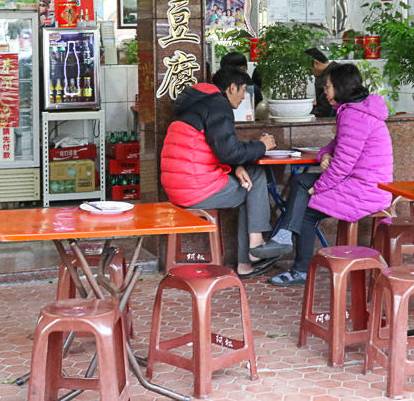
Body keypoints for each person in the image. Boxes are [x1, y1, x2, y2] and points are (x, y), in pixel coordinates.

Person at [251, 63, 393, 286]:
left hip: (364, 189)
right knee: (299, 182)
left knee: (306, 208)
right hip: (361, 184)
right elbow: (335, 145)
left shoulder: (354, 116)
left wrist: (318, 187)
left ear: (340, 87)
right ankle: (286, 239)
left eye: (327, 87)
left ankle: (296, 261)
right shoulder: (356, 110)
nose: (324, 92)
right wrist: (325, 156)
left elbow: (343, 165)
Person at [160, 67, 280, 277]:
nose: (244, 97)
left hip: (176, 187)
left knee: (247, 178)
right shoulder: (219, 104)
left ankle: (248, 258)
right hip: (195, 189)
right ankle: (254, 249)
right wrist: (262, 146)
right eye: (243, 91)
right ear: (231, 87)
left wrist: (236, 167)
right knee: (255, 179)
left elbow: (213, 148)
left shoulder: (196, 103)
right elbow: (229, 151)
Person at [306, 47, 335, 118]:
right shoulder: (322, 74)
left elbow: (325, 109)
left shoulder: (332, 75)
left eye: (309, 70)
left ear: (316, 63)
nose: (310, 73)